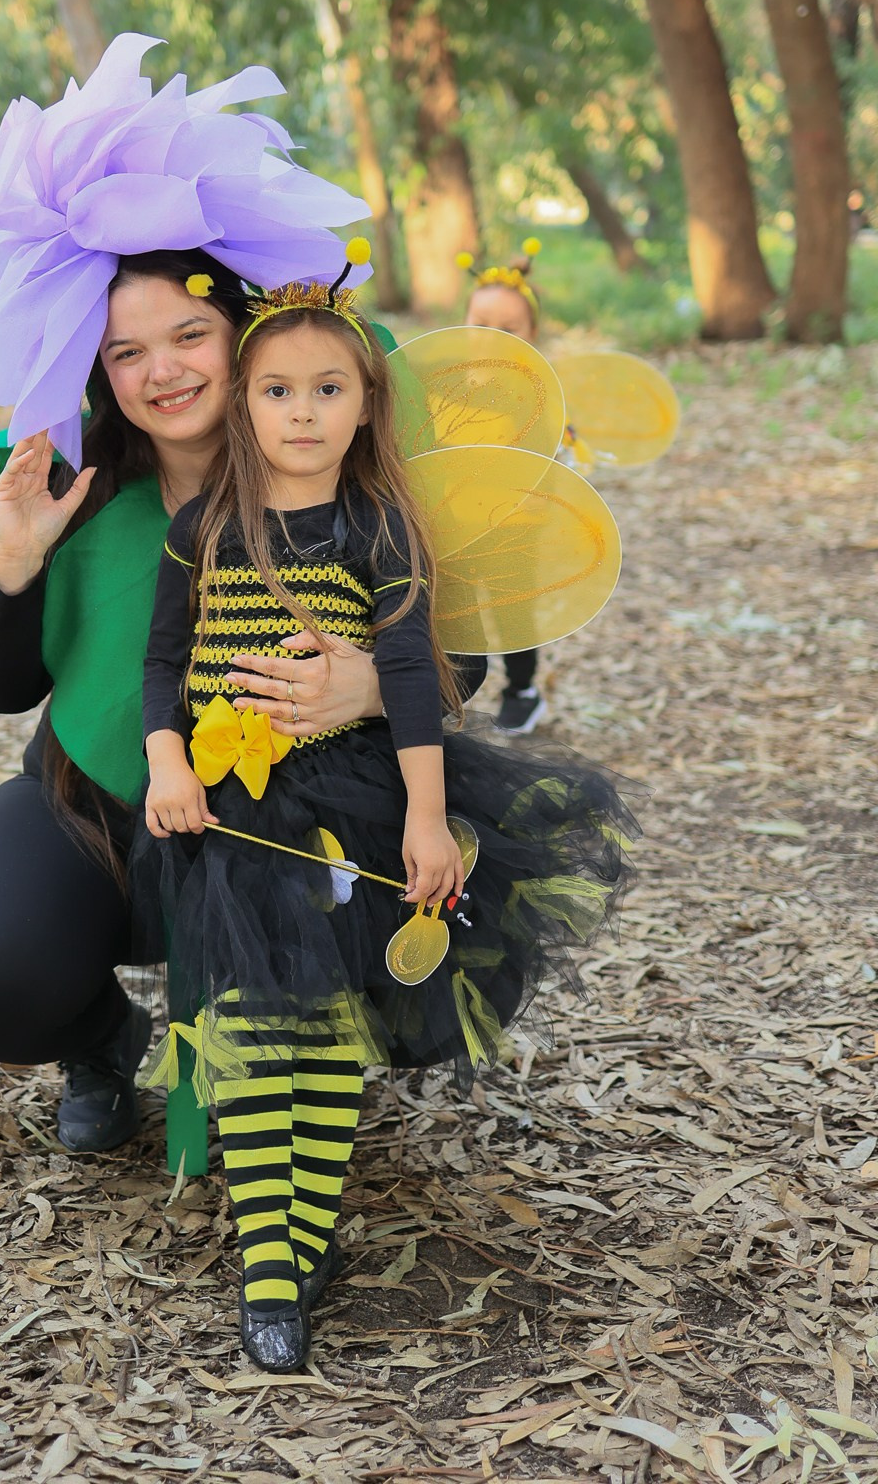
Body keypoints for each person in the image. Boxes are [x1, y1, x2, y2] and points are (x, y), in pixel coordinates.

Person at [0, 34, 432, 1156]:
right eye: (124, 353)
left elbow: (457, 651)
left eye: (190, 334)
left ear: (244, 337)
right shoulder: (84, 486)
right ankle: (100, 1036)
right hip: (106, 810)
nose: (163, 371)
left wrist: (367, 684)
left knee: (425, 979)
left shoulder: (338, 472)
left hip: (302, 817)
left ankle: (295, 1072)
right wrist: (14, 560)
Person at [131, 264, 637, 1370]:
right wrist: (166, 758)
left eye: (326, 390)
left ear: (365, 406)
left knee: (318, 1034)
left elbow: (410, 675)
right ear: (241, 401)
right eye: (273, 391)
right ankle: (270, 1264)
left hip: (351, 809)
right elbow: (161, 664)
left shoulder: (376, 526)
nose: (299, 412)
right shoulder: (203, 524)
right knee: (255, 1031)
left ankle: (299, 1235)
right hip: (229, 814)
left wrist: (422, 817)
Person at [462, 239, 548, 736]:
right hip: (458, 521)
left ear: (532, 334)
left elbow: (550, 449)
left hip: (516, 523)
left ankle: (523, 689)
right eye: (481, 325)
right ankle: (455, 690)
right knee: (456, 611)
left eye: (508, 329)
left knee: (512, 611)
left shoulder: (535, 387)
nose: (493, 338)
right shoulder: (444, 379)